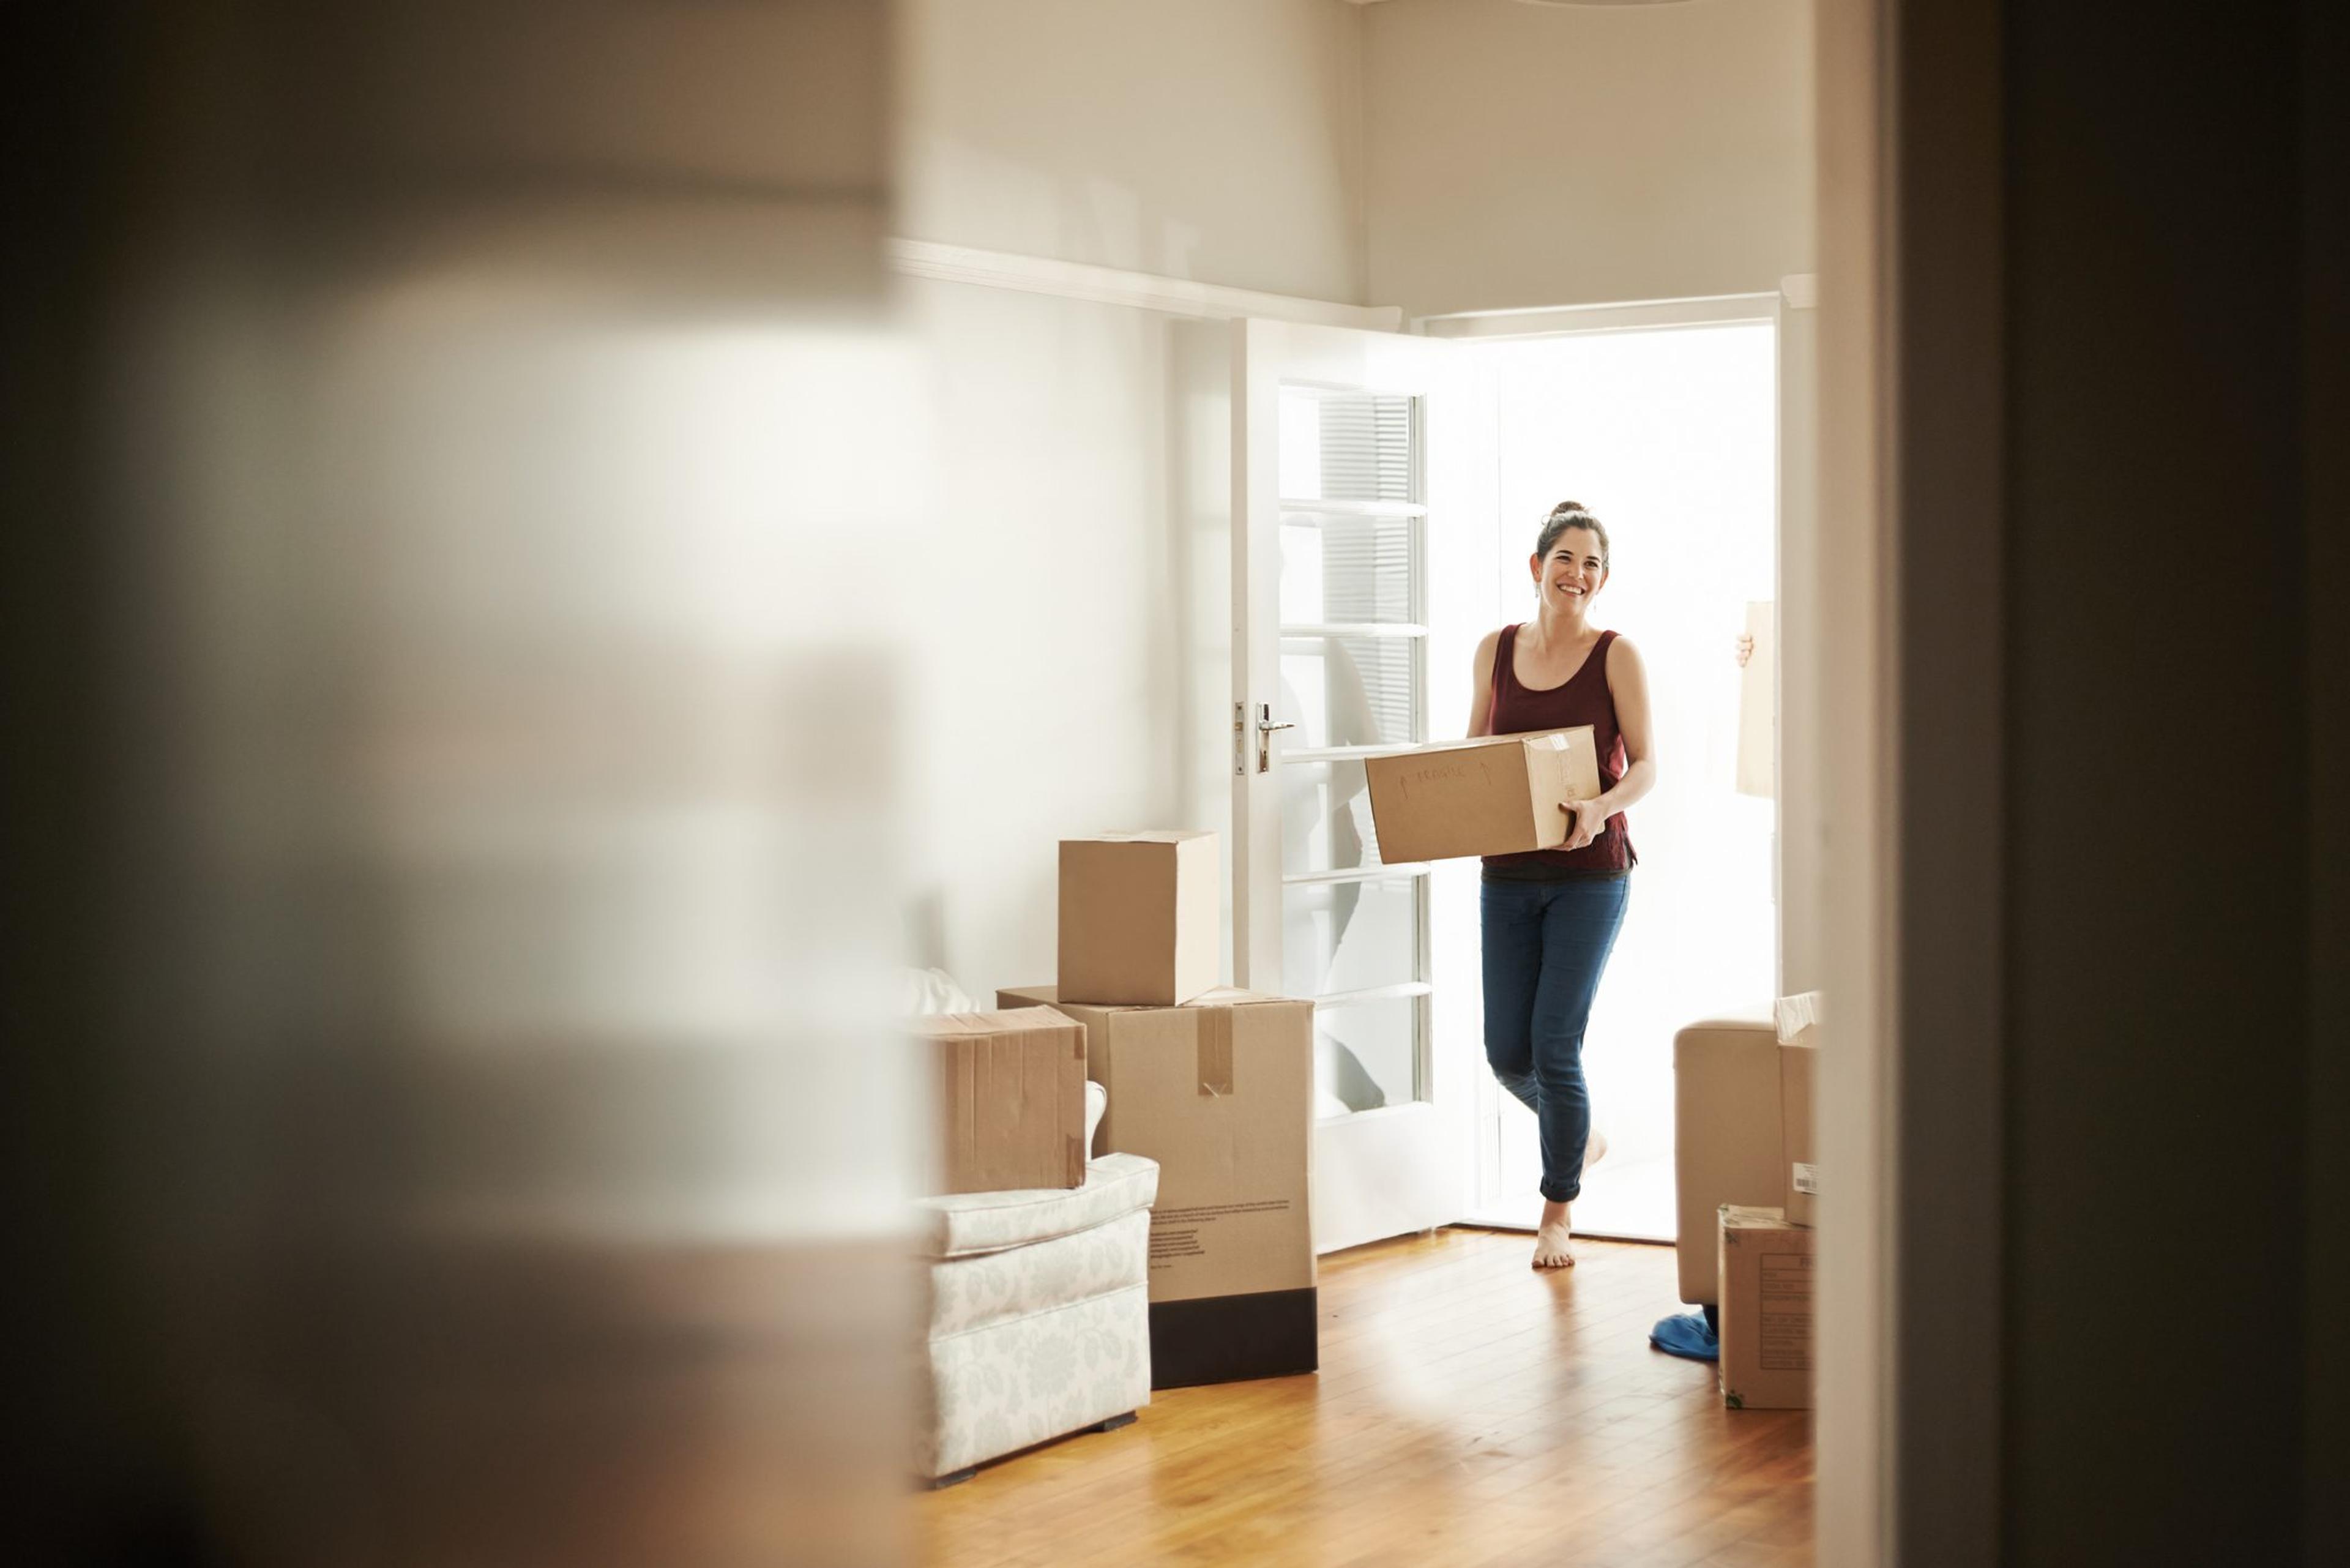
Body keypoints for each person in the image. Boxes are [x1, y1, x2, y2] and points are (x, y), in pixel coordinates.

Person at [1468, 501, 1656, 1270]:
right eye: (1564, 559)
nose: (1576, 575)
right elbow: (1474, 752)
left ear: (1602, 579)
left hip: (1590, 876)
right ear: (1536, 567)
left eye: (1591, 564)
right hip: (1507, 874)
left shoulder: (1617, 655)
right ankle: (1581, 1136)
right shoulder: (1496, 648)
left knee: (1554, 1043)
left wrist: (1600, 806)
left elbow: (1646, 765)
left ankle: (1557, 1211)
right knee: (1505, 1051)